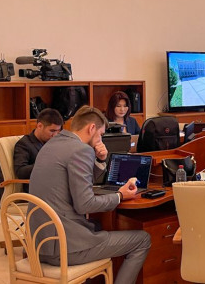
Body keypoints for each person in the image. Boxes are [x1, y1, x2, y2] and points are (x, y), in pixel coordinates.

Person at [29, 106, 150, 284]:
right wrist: (120, 195)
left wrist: (100, 160)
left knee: (97, 225)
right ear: (92, 128)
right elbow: (84, 204)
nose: (100, 139)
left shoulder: (51, 144)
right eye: (101, 134)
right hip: (63, 247)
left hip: (39, 243)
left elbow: (78, 181)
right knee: (142, 240)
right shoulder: (81, 150)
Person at [13, 108, 64, 186]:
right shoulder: (24, 144)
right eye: (52, 131)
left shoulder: (54, 142)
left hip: (55, 183)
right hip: (37, 187)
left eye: (58, 131)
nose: (55, 135)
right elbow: (20, 172)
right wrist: (45, 163)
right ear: (39, 126)